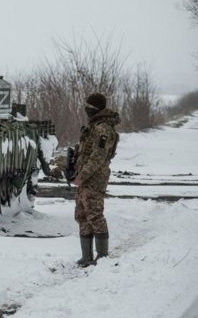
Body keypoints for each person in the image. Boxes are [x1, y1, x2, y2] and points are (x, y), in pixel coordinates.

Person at [72, 93, 120, 267]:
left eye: (89, 106)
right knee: (82, 216)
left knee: (95, 215)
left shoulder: (103, 128)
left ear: (95, 108)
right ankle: (86, 257)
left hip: (94, 179)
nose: (86, 108)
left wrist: (82, 175)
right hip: (84, 178)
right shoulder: (93, 126)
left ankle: (102, 257)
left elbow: (99, 156)